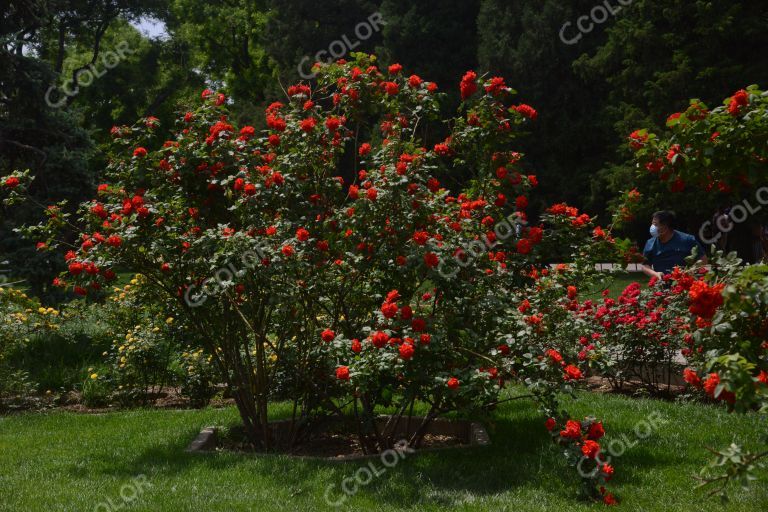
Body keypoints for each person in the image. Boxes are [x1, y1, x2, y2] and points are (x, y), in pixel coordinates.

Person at [641, 210, 707, 280]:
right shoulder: (650, 243)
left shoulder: (687, 240)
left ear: (665, 227)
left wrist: (690, 272)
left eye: (655, 224)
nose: (652, 227)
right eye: (652, 224)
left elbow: (703, 259)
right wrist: (655, 274)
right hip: (661, 286)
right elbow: (645, 265)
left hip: (684, 285)